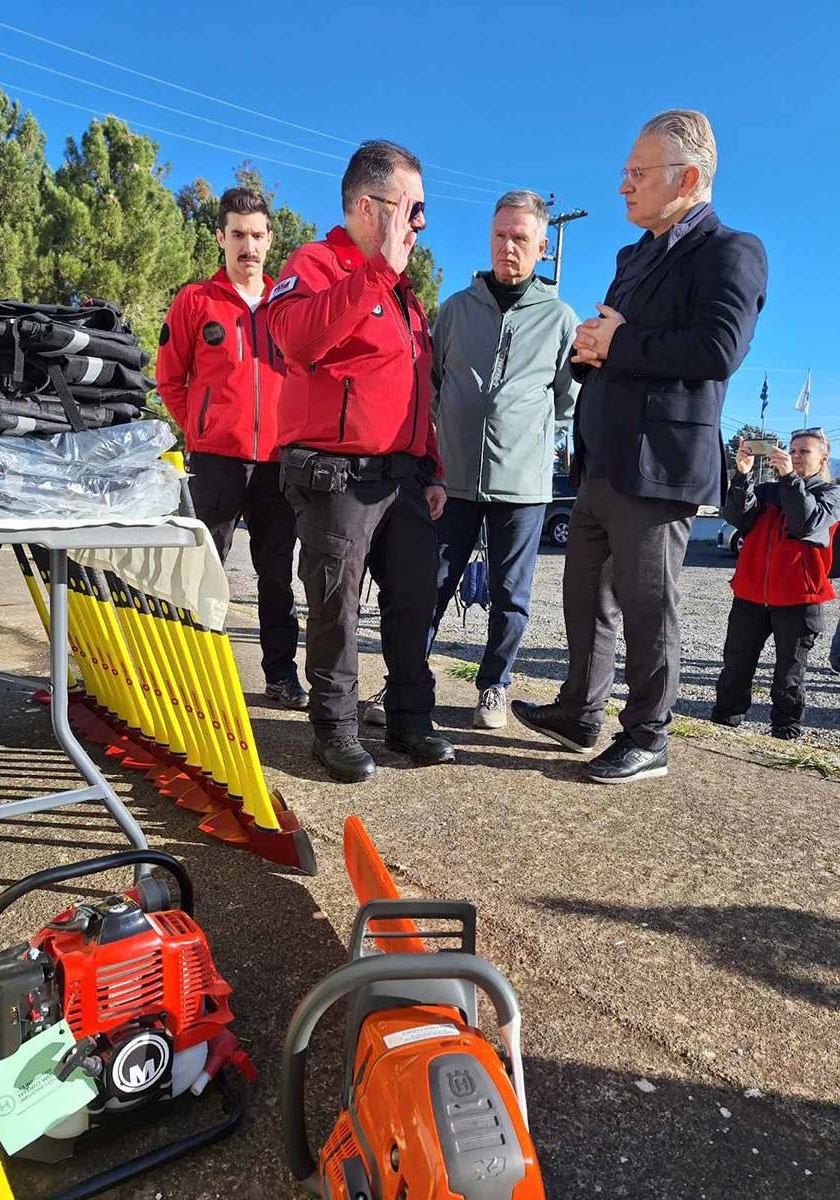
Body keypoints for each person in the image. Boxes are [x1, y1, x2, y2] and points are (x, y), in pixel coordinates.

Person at [512, 109, 767, 782]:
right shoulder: (634, 257)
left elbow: (718, 350)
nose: (623, 185)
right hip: (601, 460)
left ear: (687, 178)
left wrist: (618, 342)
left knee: (650, 606)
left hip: (659, 470)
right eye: (625, 172)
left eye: (637, 173)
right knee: (583, 598)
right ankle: (578, 713)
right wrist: (587, 350)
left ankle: (648, 736)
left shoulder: (730, 251)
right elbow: (608, 339)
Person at [267, 140, 454, 784]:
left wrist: (430, 464)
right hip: (337, 476)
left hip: (402, 477)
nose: (421, 223)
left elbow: (413, 384)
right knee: (334, 607)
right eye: (414, 207)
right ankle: (336, 729)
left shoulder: (404, 292)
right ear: (368, 205)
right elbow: (295, 339)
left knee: (412, 601)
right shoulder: (316, 264)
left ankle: (409, 719)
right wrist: (375, 274)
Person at [427, 190, 579, 729]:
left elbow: (564, 402)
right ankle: (408, 681)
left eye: (519, 238)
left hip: (523, 486)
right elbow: (432, 386)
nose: (506, 247)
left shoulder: (560, 319)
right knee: (433, 582)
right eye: (499, 235)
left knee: (511, 595)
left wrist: (526, 440)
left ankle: (493, 686)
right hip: (454, 481)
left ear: (541, 246)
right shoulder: (455, 309)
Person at [156, 188, 307, 709]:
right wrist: (201, 432)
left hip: (276, 465)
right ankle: (191, 673)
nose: (248, 246)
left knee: (276, 575)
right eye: (238, 234)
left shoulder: (287, 306)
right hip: (215, 463)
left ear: (270, 240)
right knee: (202, 571)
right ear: (221, 238)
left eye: (257, 235)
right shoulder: (195, 301)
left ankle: (282, 676)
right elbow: (170, 379)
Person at [711, 431, 840, 738]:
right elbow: (737, 517)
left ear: (822, 458)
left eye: (803, 451)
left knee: (789, 674)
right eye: (791, 450)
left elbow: (805, 524)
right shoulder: (768, 490)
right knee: (736, 664)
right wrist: (741, 477)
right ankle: (724, 724)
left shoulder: (830, 494)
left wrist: (790, 480)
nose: (794, 456)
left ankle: (785, 731)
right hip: (751, 594)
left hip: (799, 598)